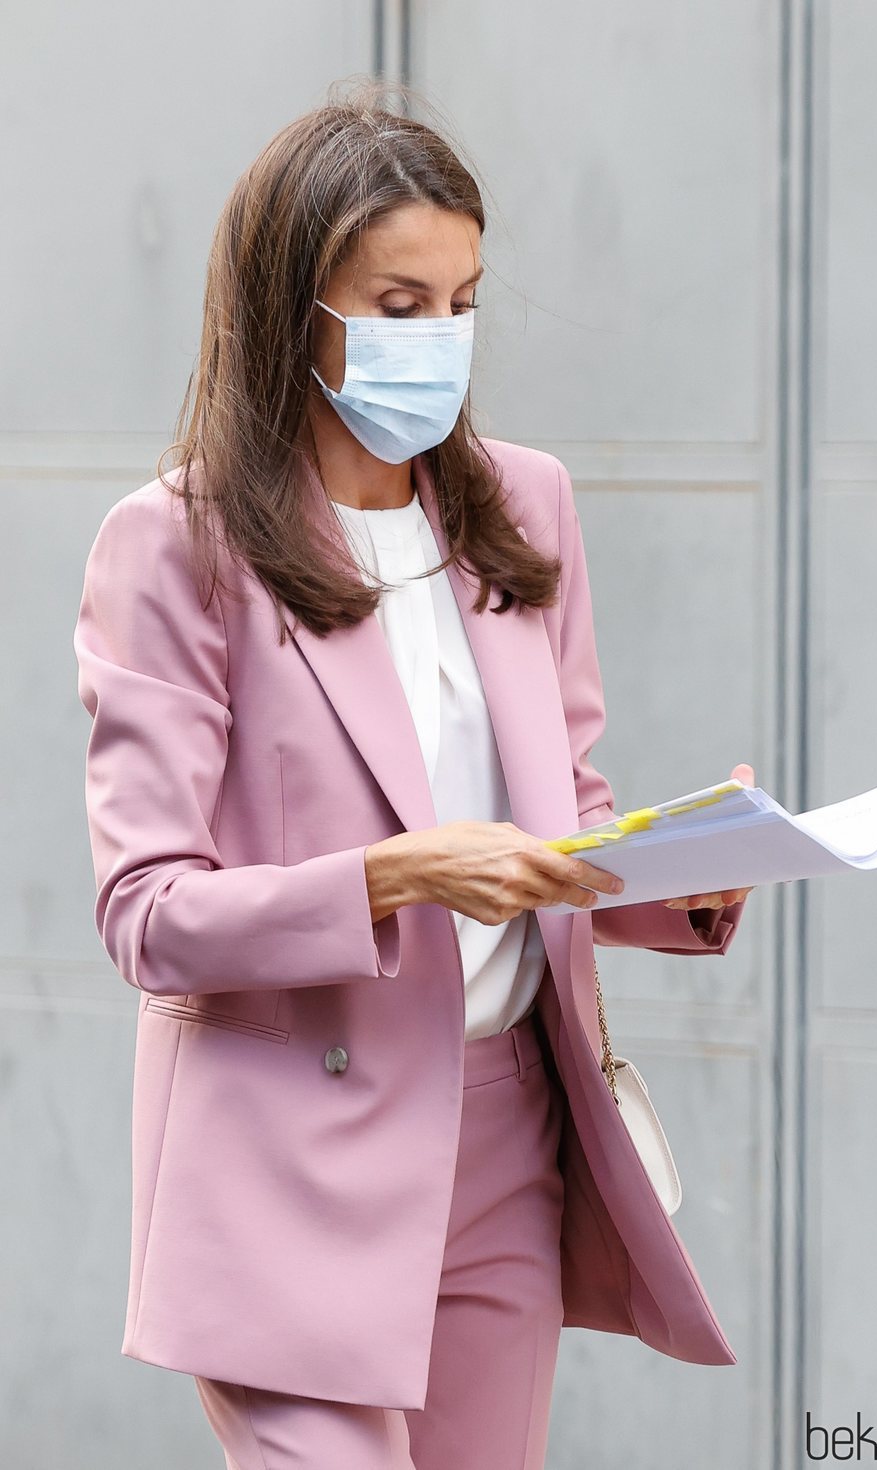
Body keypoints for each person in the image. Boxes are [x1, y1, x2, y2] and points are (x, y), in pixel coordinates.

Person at [73, 79, 754, 1470]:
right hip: (286, 1153)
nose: (441, 340)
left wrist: (682, 870)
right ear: (293, 310)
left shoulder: (525, 504)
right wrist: (398, 873)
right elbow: (146, 913)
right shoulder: (177, 545)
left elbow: (556, 820)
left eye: (464, 301)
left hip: (503, 1136)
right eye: (398, 306)